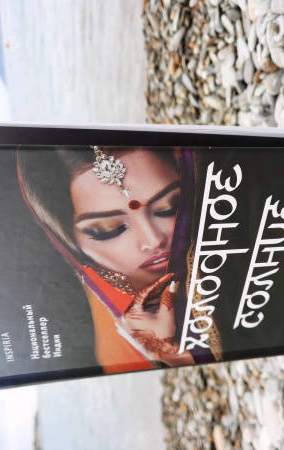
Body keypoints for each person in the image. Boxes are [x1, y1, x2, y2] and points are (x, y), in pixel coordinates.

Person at [16, 145, 217, 373]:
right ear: (72, 246)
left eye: (169, 207)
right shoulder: (120, 354)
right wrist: (168, 354)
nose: (153, 240)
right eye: (109, 229)